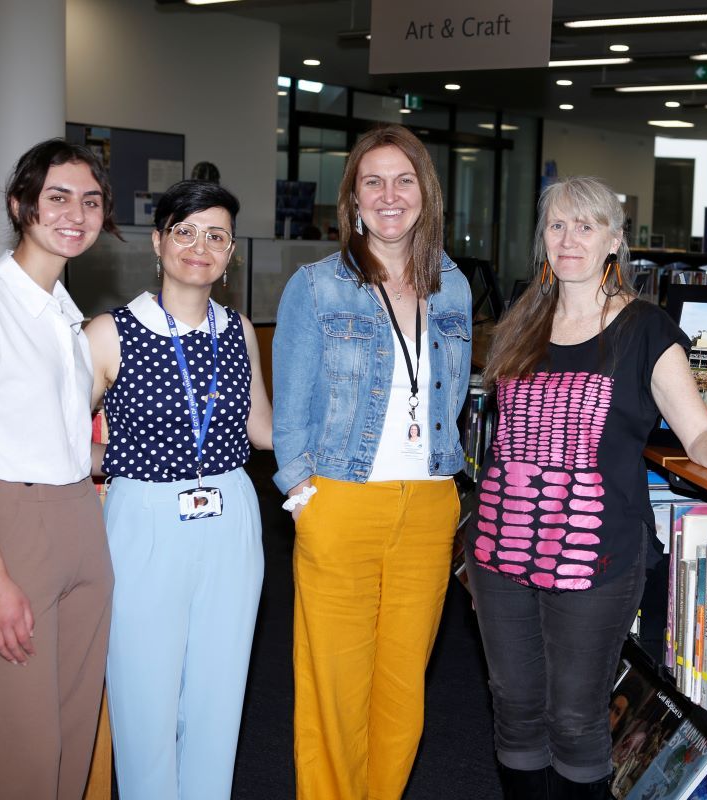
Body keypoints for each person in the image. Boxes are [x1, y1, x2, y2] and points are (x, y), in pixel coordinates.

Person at [467, 176, 707, 799]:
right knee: (514, 705)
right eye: (557, 225)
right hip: (500, 549)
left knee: (576, 718)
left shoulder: (644, 329)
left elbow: (698, 430)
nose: (569, 238)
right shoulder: (520, 321)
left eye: (586, 225)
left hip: (596, 554)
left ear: (615, 240)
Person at [273, 123, 473, 800]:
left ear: (427, 193)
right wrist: (304, 499)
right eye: (373, 181)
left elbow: (453, 395)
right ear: (353, 198)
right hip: (340, 499)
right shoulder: (316, 287)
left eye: (404, 180)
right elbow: (289, 411)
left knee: (402, 691)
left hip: (427, 507)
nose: (390, 195)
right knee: (334, 688)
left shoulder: (455, 288)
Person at [0, 138, 119, 798]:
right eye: (58, 197)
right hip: (9, 529)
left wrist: (152, 451)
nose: (77, 213)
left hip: (80, 523)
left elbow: (66, 446)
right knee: (25, 762)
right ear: (21, 205)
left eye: (91, 201)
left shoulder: (68, 319)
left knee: (70, 748)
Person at [84, 179, 273, 798]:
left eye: (216, 235)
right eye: (186, 232)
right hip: (144, 514)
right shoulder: (109, 333)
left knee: (220, 694)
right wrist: (117, 458)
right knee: (144, 695)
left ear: (231, 252)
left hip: (232, 513)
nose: (201, 246)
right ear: (159, 242)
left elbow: (263, 430)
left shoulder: (239, 330)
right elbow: (59, 442)